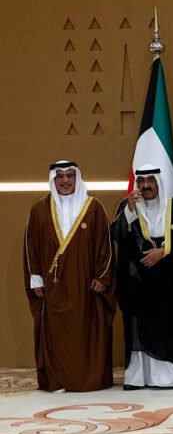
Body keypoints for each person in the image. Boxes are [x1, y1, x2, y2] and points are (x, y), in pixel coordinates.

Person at [23, 161, 114, 392]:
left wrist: (102, 277)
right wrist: (36, 279)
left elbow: (105, 245)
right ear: (53, 179)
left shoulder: (93, 208)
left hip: (85, 285)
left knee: (83, 331)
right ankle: (57, 379)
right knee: (56, 332)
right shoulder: (39, 210)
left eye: (70, 176)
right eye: (60, 176)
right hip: (52, 285)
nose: (65, 181)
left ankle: (86, 378)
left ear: (77, 178)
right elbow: (31, 247)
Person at [111, 165, 173, 389]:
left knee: (169, 328)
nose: (146, 185)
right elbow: (117, 235)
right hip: (138, 284)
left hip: (169, 284)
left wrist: (163, 252)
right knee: (137, 328)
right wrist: (130, 210)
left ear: (158, 183)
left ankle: (171, 377)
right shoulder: (127, 207)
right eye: (141, 181)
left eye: (150, 180)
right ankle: (139, 377)